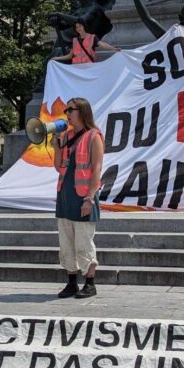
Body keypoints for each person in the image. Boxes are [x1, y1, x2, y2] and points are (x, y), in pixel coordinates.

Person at [52, 98, 105, 298]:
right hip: (65, 194)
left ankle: (90, 283)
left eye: (70, 109)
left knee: (83, 241)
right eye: (66, 109)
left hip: (83, 196)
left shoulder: (94, 136)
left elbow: (96, 168)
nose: (67, 113)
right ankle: (72, 281)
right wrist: (57, 145)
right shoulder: (67, 136)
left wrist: (89, 198)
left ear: (82, 111)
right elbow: (58, 166)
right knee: (66, 241)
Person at [52, 19, 120, 64]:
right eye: (77, 27)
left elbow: (102, 44)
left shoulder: (92, 37)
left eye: (80, 26)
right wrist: (56, 58)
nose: (78, 28)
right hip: (76, 67)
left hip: (88, 67)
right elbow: (70, 56)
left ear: (84, 26)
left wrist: (113, 49)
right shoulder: (75, 40)